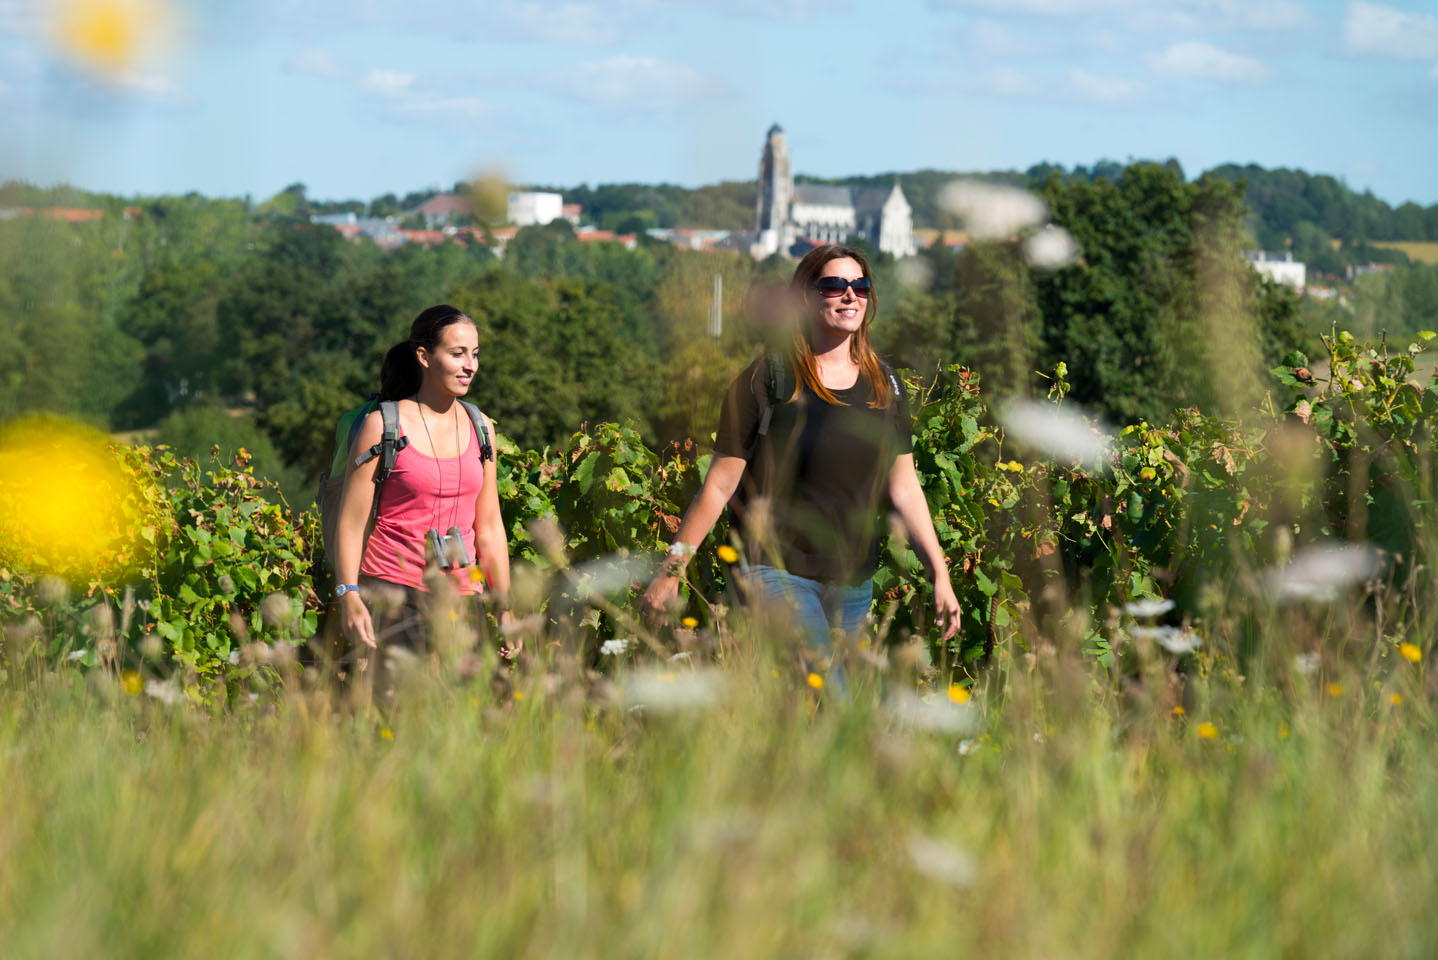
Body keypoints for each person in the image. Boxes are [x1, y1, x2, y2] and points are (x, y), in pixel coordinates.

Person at [643, 245, 961, 661]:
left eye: (860, 286)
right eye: (834, 285)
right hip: (774, 569)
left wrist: (940, 574)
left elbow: (903, 487)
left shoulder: (885, 385)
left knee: (812, 715)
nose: (850, 295)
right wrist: (672, 571)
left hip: (852, 581)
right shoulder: (768, 380)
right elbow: (719, 487)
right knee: (831, 692)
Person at [333, 305, 515, 680]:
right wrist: (349, 594)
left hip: (463, 593)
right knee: (402, 716)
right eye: (457, 354)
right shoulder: (381, 426)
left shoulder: (481, 428)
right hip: (394, 590)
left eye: (475, 354)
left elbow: (490, 525)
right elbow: (350, 523)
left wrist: (505, 605)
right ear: (424, 357)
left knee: (469, 719)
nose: (470, 366)